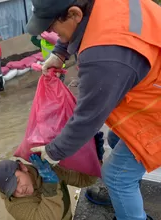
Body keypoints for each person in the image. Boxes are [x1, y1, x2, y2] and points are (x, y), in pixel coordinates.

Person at [26, 0, 160, 219]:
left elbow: (87, 119)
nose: (50, 33)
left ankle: (127, 202)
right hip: (150, 76)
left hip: (156, 107)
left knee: (116, 176)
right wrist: (61, 52)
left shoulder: (104, 57)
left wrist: (53, 152)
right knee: (117, 137)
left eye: (51, 28)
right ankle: (124, 197)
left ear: (74, 14)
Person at [0, 133, 104, 220]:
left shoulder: (48, 167)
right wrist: (50, 183)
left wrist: (94, 160)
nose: (20, 190)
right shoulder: (14, 205)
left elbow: (83, 180)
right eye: (13, 191)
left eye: (17, 181)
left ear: (23, 167)